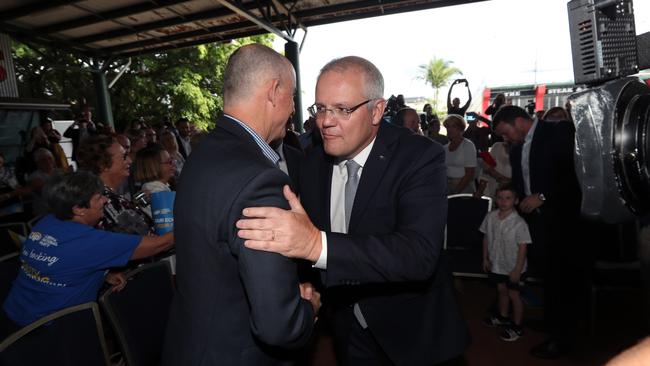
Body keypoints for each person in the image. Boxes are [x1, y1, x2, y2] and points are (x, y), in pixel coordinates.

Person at [236, 55, 469, 365]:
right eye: (321, 108)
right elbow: (305, 242)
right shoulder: (311, 163)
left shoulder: (418, 156)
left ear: (377, 110)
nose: (326, 121)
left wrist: (317, 245)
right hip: (347, 329)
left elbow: (419, 254)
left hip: (413, 334)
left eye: (343, 109)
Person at [162, 44, 319, 366]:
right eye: (292, 97)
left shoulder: (203, 155)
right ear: (274, 92)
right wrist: (307, 309)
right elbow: (278, 327)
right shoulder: (260, 180)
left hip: (191, 343)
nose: (293, 110)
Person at [1, 171, 173, 337]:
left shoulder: (46, 223)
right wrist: (192, 220)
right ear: (78, 209)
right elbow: (160, 244)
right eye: (99, 197)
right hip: (51, 333)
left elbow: (61, 265)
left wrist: (103, 274)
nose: (106, 201)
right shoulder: (90, 242)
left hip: (14, 318)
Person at [494, 105, 584, 359]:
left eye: (506, 133)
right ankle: (552, 323)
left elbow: (574, 175)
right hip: (537, 223)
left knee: (564, 282)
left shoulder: (558, 132)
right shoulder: (518, 147)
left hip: (564, 220)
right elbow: (523, 182)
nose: (505, 139)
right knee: (549, 279)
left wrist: (543, 196)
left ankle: (563, 340)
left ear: (520, 122)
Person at [480, 184, 532, 342]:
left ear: (516, 201)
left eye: (508, 198)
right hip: (497, 264)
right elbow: (486, 238)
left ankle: (517, 326)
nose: (503, 201)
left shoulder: (519, 223)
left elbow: (523, 247)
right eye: (500, 198)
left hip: (513, 267)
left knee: (514, 295)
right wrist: (485, 258)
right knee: (501, 290)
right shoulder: (490, 217)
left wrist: (517, 269)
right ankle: (503, 317)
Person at [76, 135, 154, 235]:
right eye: (124, 157)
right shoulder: (103, 200)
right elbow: (135, 241)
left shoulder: (103, 194)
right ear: (103, 165)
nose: (129, 161)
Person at [443, 114, 477, 194]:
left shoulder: (468, 145)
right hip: (448, 186)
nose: (449, 129)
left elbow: (470, 174)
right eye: (448, 126)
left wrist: (456, 192)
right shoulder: (445, 148)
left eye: (453, 126)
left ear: (461, 129)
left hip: (463, 187)